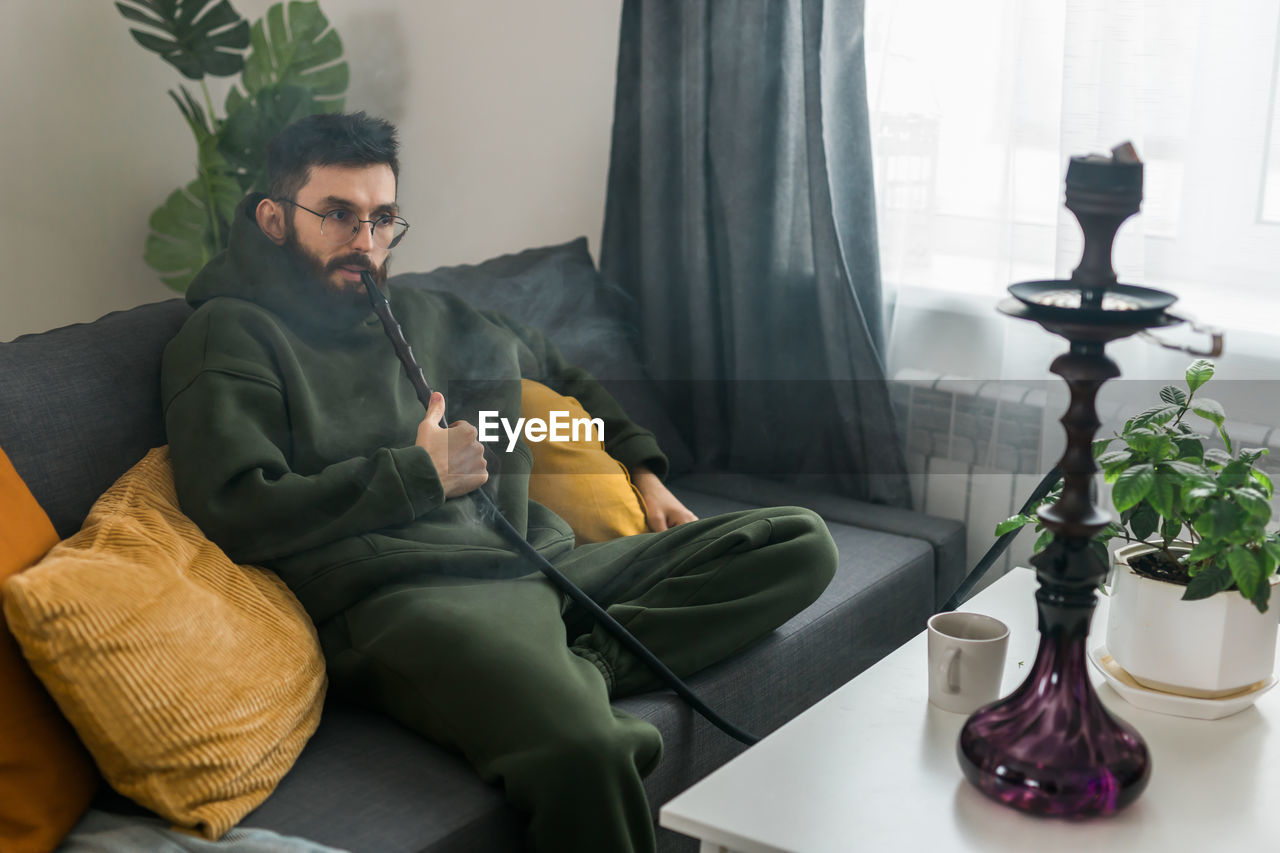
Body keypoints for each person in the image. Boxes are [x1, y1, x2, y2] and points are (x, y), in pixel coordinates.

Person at [161, 111, 838, 853]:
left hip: (531, 563)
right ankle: (556, 690)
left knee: (797, 542)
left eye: (382, 218)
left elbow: (558, 367)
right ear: (273, 218)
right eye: (338, 215)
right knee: (590, 752)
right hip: (404, 598)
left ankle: (576, 669)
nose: (364, 242)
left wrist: (645, 473)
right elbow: (234, 507)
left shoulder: (431, 313)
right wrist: (417, 476)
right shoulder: (227, 334)